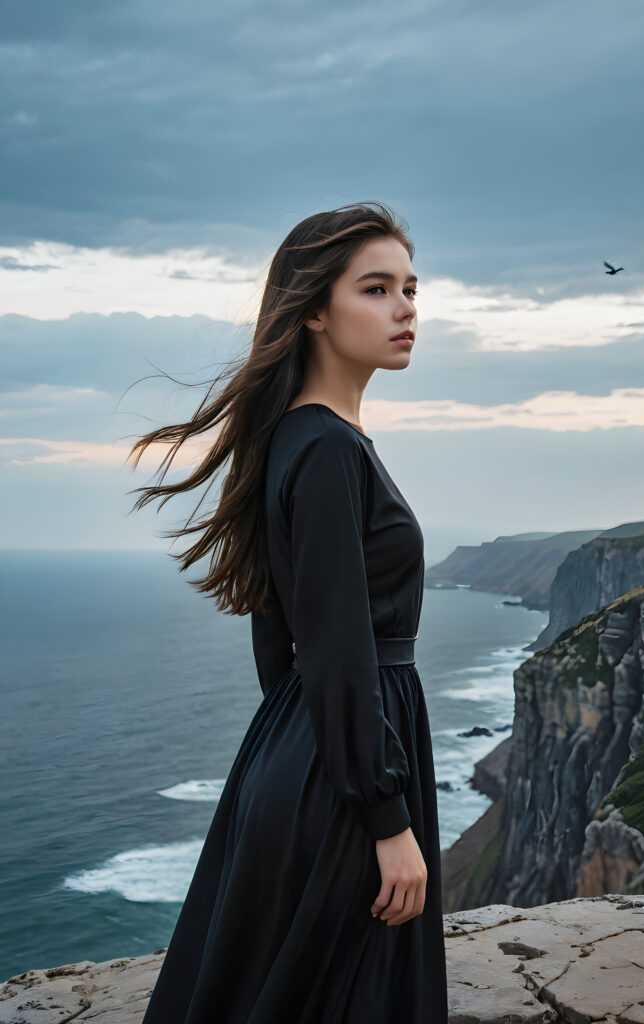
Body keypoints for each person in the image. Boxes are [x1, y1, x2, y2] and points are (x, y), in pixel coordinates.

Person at [127, 201, 449, 1022]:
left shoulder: (294, 441)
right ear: (312, 309)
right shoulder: (330, 449)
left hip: (302, 755)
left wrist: (306, 753)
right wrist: (385, 817)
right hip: (344, 778)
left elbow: (280, 640)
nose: (406, 307)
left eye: (411, 288)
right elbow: (339, 646)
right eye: (376, 289)